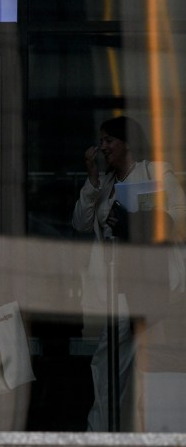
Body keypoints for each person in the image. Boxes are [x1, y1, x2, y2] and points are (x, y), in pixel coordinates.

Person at [71, 115, 186, 431]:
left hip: (147, 284)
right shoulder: (105, 184)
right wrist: (92, 178)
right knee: (124, 368)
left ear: (127, 144)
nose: (102, 147)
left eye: (109, 140)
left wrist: (136, 222)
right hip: (114, 286)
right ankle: (121, 430)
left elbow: (179, 218)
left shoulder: (155, 173)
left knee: (110, 366)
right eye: (102, 140)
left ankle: (102, 432)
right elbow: (79, 222)